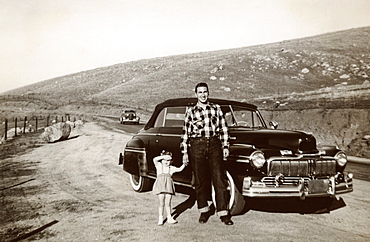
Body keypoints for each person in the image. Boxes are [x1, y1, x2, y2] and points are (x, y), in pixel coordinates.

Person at [181, 82, 233, 225]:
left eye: (205, 92)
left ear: (208, 93)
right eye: (200, 92)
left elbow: (223, 128)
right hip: (197, 145)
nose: (203, 95)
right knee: (200, 180)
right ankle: (204, 211)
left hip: (215, 145)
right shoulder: (191, 111)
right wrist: (184, 152)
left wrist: (225, 146)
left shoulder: (216, 108)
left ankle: (224, 213)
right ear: (196, 94)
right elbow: (185, 133)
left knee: (219, 178)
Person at [152, 150, 186, 225]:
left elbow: (180, 169)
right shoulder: (159, 166)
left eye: (168, 160)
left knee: (168, 202)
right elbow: (154, 159)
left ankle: (169, 217)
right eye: (164, 160)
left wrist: (184, 164)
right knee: (161, 203)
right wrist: (164, 156)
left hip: (168, 187)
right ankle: (160, 218)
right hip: (160, 186)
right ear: (162, 160)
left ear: (171, 161)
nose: (166, 162)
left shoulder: (171, 168)